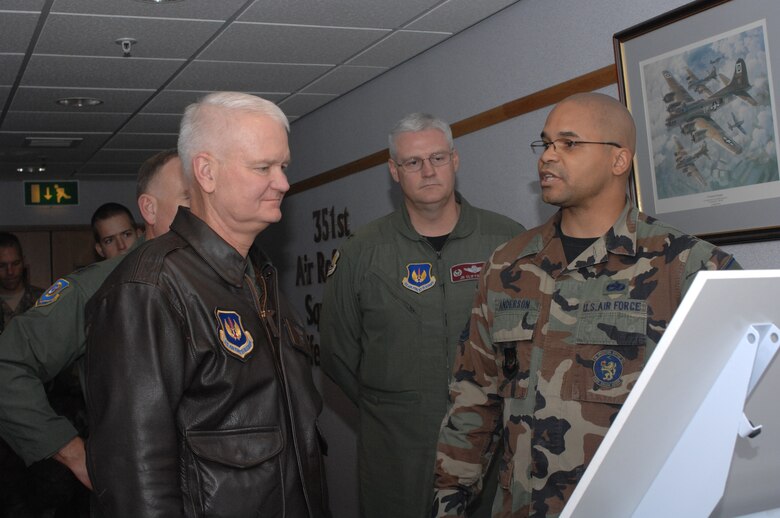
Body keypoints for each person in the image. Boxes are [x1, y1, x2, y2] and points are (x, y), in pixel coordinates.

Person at [431, 93, 740, 517]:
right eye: (545, 143)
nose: (547, 157)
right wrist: (448, 503)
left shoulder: (690, 268)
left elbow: (734, 416)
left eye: (569, 143)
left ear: (619, 161)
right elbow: (474, 399)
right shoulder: (507, 266)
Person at [85, 92, 328, 517]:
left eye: (283, 166)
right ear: (206, 172)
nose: (284, 183)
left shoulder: (258, 276)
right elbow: (135, 477)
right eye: (263, 167)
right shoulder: (149, 289)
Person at [319, 112, 525, 518]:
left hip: (489, 446)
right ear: (394, 171)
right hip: (397, 452)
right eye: (413, 162)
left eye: (438, 158)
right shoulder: (364, 251)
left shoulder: (506, 240)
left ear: (455, 161)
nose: (428, 171)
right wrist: (391, 405)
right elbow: (337, 352)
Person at [0, 149, 189, 499]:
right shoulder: (97, 288)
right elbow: (8, 365)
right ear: (149, 211)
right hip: (141, 487)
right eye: (188, 199)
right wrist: (72, 452)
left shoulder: (234, 277)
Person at [0, 232, 44, 334]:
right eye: (2, 266)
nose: (10, 272)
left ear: (23, 261)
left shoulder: (44, 301)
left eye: (15, 263)